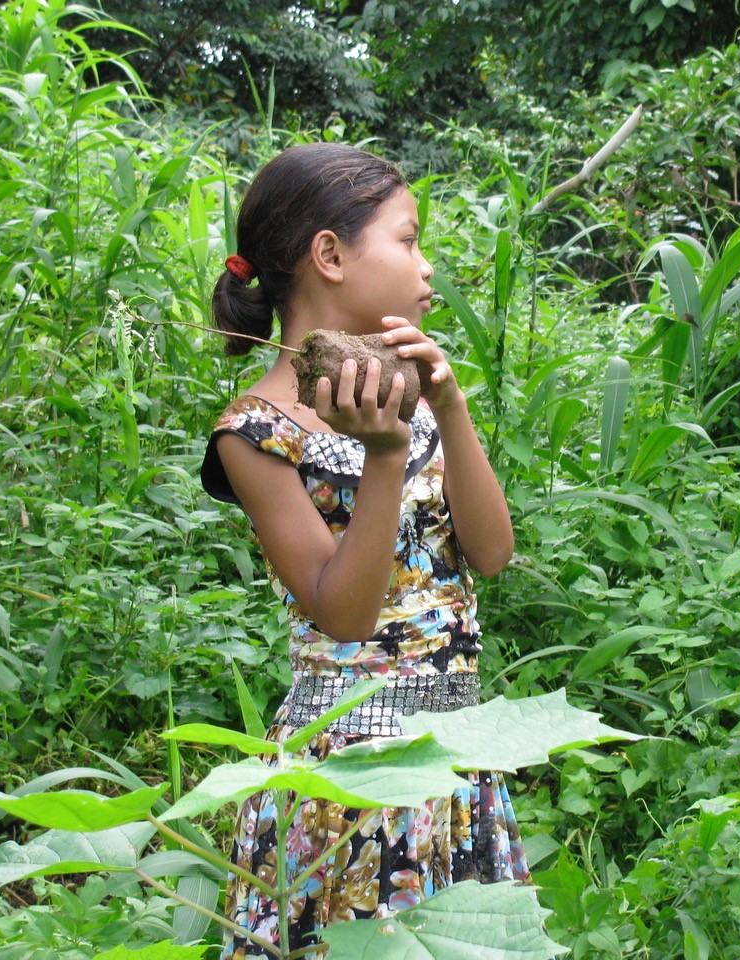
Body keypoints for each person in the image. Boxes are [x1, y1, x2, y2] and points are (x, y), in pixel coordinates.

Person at [200, 142, 530, 958]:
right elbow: (342, 612)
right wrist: (384, 457)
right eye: (410, 240)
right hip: (348, 777)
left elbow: (491, 553)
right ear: (330, 255)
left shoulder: (404, 393)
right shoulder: (255, 433)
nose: (426, 270)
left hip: (453, 755)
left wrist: (446, 406)